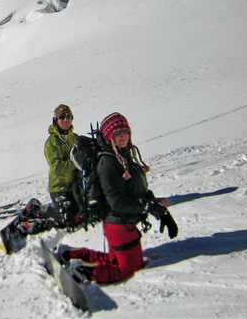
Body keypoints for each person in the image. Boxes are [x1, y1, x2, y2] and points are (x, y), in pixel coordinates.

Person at [61, 112, 177, 284]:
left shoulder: (124, 156)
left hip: (122, 224)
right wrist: (152, 207)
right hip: (119, 225)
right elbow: (117, 201)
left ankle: (71, 255)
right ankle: (82, 273)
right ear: (109, 136)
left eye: (125, 131)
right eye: (117, 133)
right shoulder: (108, 162)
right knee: (128, 269)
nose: (123, 136)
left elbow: (136, 189)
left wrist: (159, 208)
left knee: (115, 260)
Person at [43, 104, 80, 227]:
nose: (66, 120)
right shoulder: (52, 142)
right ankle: (43, 212)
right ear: (56, 120)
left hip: (76, 185)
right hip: (60, 188)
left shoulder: (74, 137)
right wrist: (76, 162)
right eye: (62, 117)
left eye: (68, 117)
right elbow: (57, 167)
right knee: (67, 221)